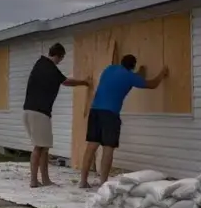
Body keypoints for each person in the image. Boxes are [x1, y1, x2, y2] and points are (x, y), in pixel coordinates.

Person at [79, 54, 168, 189]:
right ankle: (103, 183)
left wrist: (140, 72)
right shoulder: (130, 77)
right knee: (108, 149)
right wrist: (163, 73)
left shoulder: (109, 69)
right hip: (110, 114)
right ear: (133, 66)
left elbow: (131, 77)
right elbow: (153, 84)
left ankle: (83, 181)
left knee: (91, 147)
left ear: (121, 63)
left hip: (95, 111)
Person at [22, 43, 92, 188]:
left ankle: (44, 179)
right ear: (59, 55)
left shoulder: (40, 63)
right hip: (39, 112)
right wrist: (84, 82)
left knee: (44, 147)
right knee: (39, 147)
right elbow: (66, 81)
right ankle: (35, 180)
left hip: (29, 111)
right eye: (62, 58)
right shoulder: (50, 68)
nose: (61, 61)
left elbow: (60, 79)